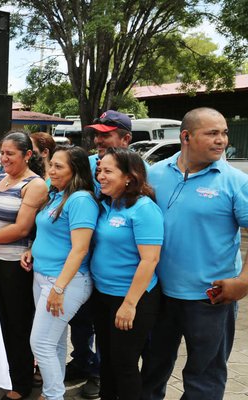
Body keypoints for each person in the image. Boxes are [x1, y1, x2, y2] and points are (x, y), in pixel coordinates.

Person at [141, 107, 248, 400]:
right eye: (212, 133)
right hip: (158, 293)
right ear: (186, 136)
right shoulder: (155, 174)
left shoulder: (235, 182)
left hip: (210, 298)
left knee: (205, 374)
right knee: (152, 367)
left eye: (224, 133)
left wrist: (244, 281)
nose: (222, 140)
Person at [0, 131, 48, 399]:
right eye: (2, 153)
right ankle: (0, 371)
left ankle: (20, 383)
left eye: (10, 154)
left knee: (18, 324)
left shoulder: (34, 184)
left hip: (14, 265)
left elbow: (21, 228)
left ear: (27, 155)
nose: (3, 158)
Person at [21, 145, 98, 400]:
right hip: (43, 276)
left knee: (40, 343)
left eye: (58, 166)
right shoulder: (57, 194)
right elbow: (48, 231)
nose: (51, 170)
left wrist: (59, 288)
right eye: (50, 164)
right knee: (53, 341)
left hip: (65, 281)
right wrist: (33, 249)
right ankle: (52, 391)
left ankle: (53, 395)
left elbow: (80, 249)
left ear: (75, 170)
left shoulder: (81, 200)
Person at [68, 110, 135, 398]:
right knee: (81, 319)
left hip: (118, 266)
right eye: (96, 134)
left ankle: (99, 372)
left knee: (110, 332)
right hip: (84, 260)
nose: (98, 140)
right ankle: (82, 361)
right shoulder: (88, 165)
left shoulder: (135, 170)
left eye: (105, 134)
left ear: (125, 138)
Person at [90, 147, 163, 400]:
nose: (101, 176)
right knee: (107, 361)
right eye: (100, 170)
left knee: (124, 365)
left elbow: (150, 259)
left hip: (132, 300)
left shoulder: (144, 209)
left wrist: (130, 304)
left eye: (108, 171)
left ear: (129, 177)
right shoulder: (106, 204)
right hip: (102, 296)